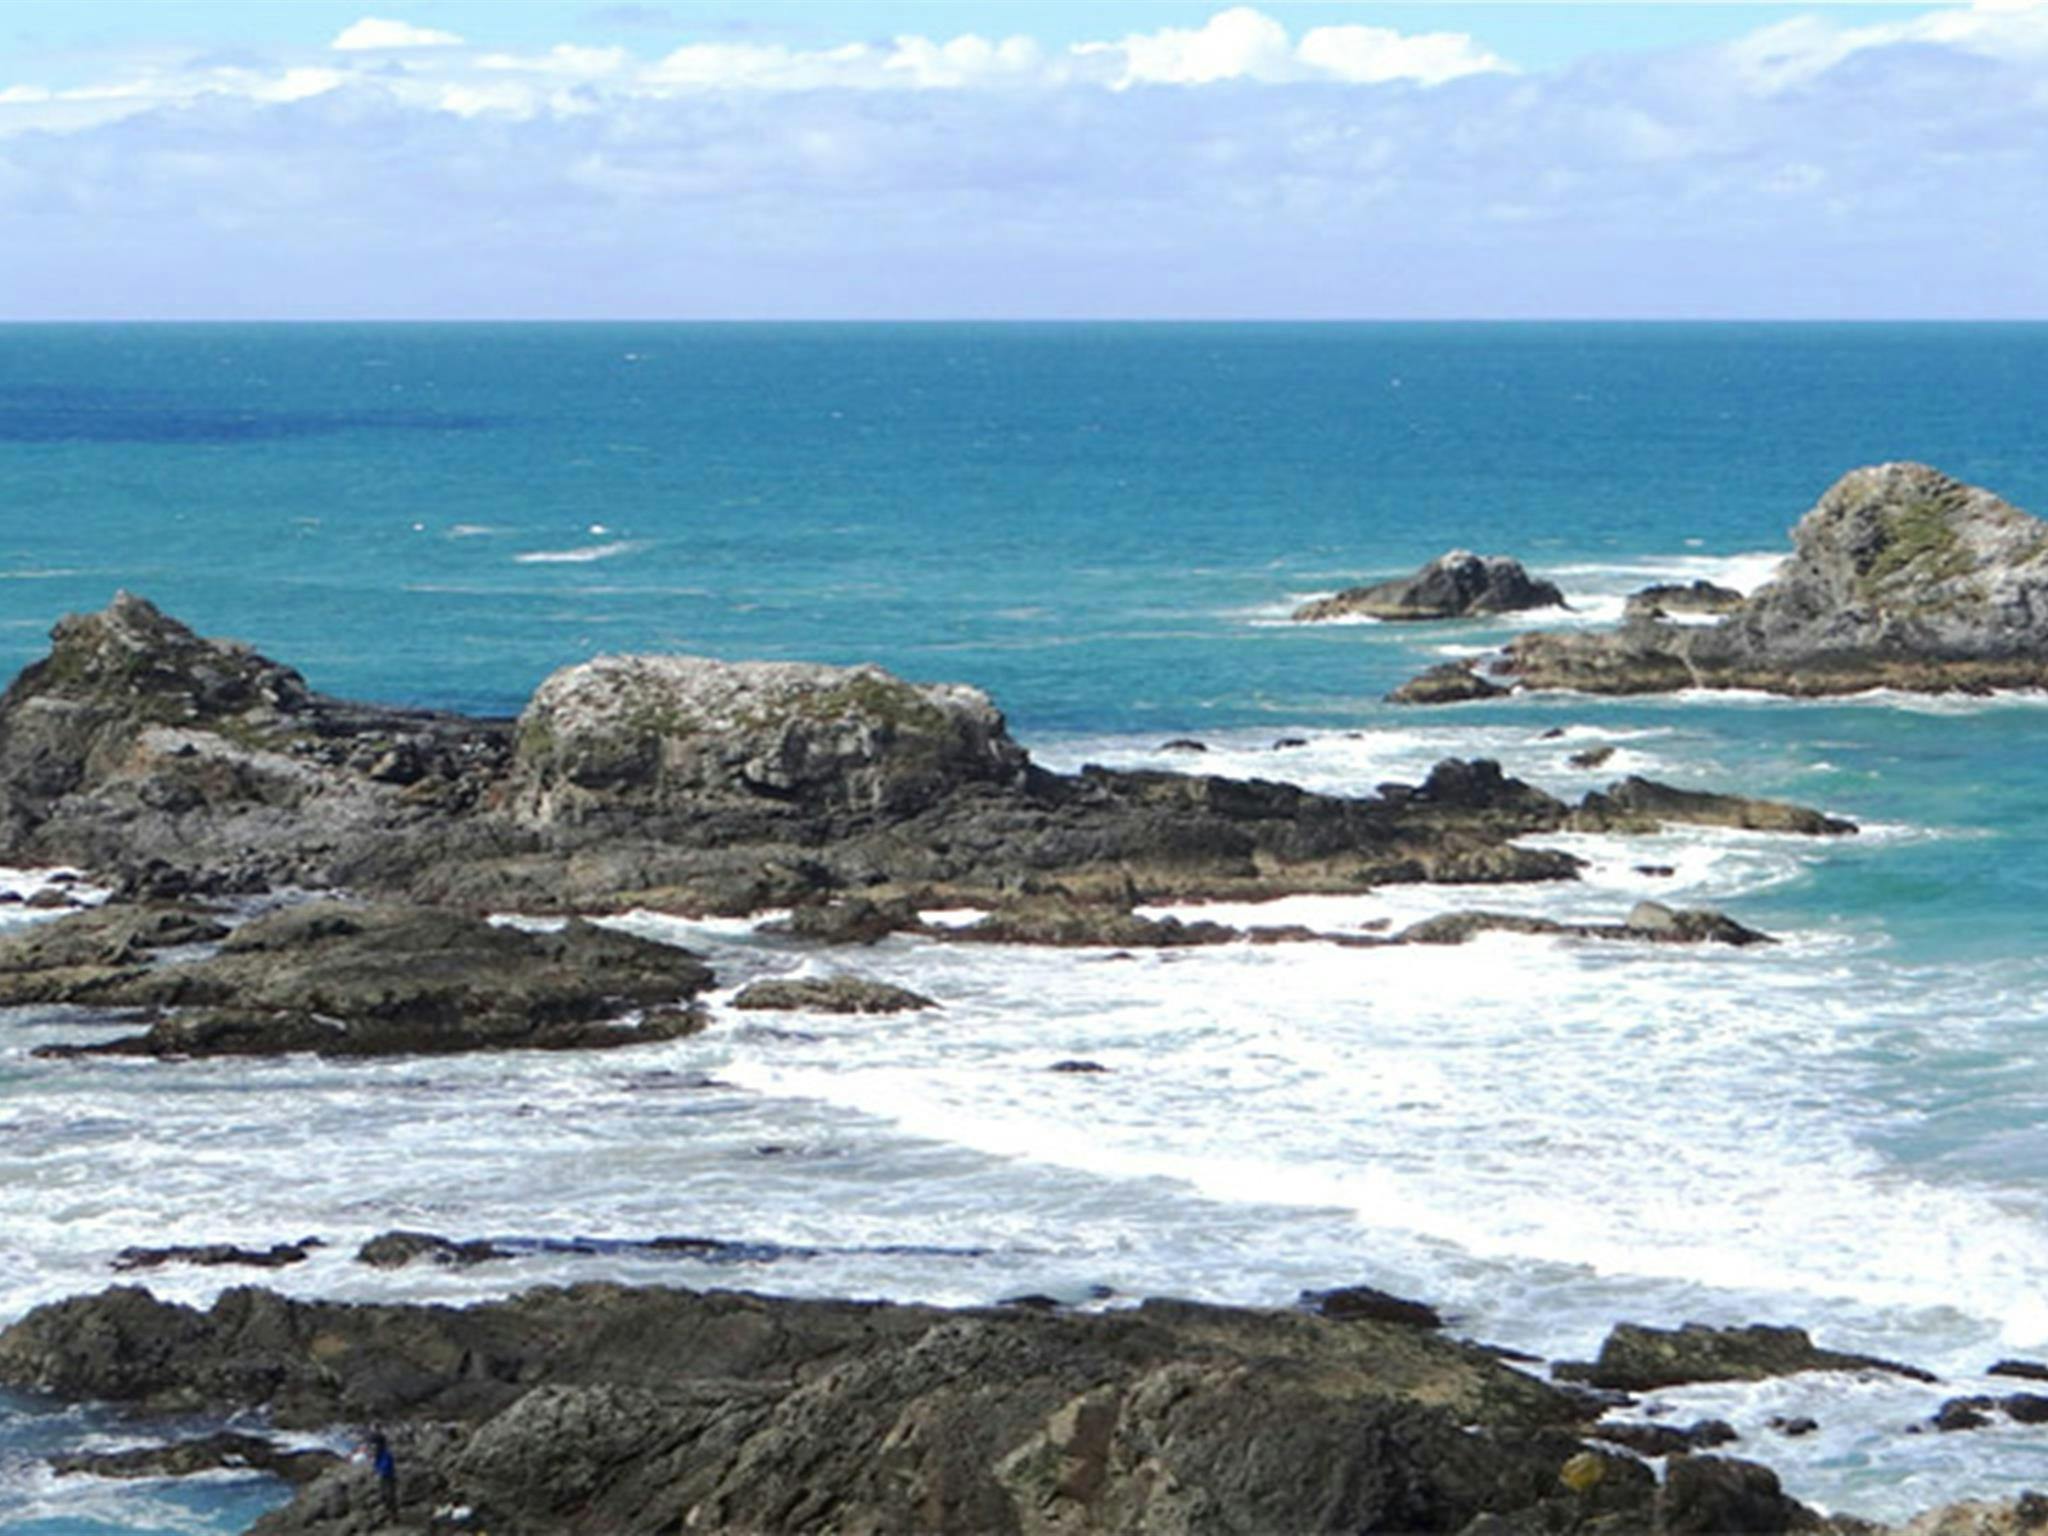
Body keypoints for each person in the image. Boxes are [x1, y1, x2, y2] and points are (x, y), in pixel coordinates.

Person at [363, 1429, 398, 1519]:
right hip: (384, 1478)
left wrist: (379, 1472)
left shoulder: (386, 1454)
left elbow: (386, 1467)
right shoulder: (379, 1454)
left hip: (388, 1478)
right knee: (383, 1495)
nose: (372, 1447)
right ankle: (387, 1513)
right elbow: (376, 1465)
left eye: (374, 1444)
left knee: (389, 1496)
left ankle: (392, 1515)